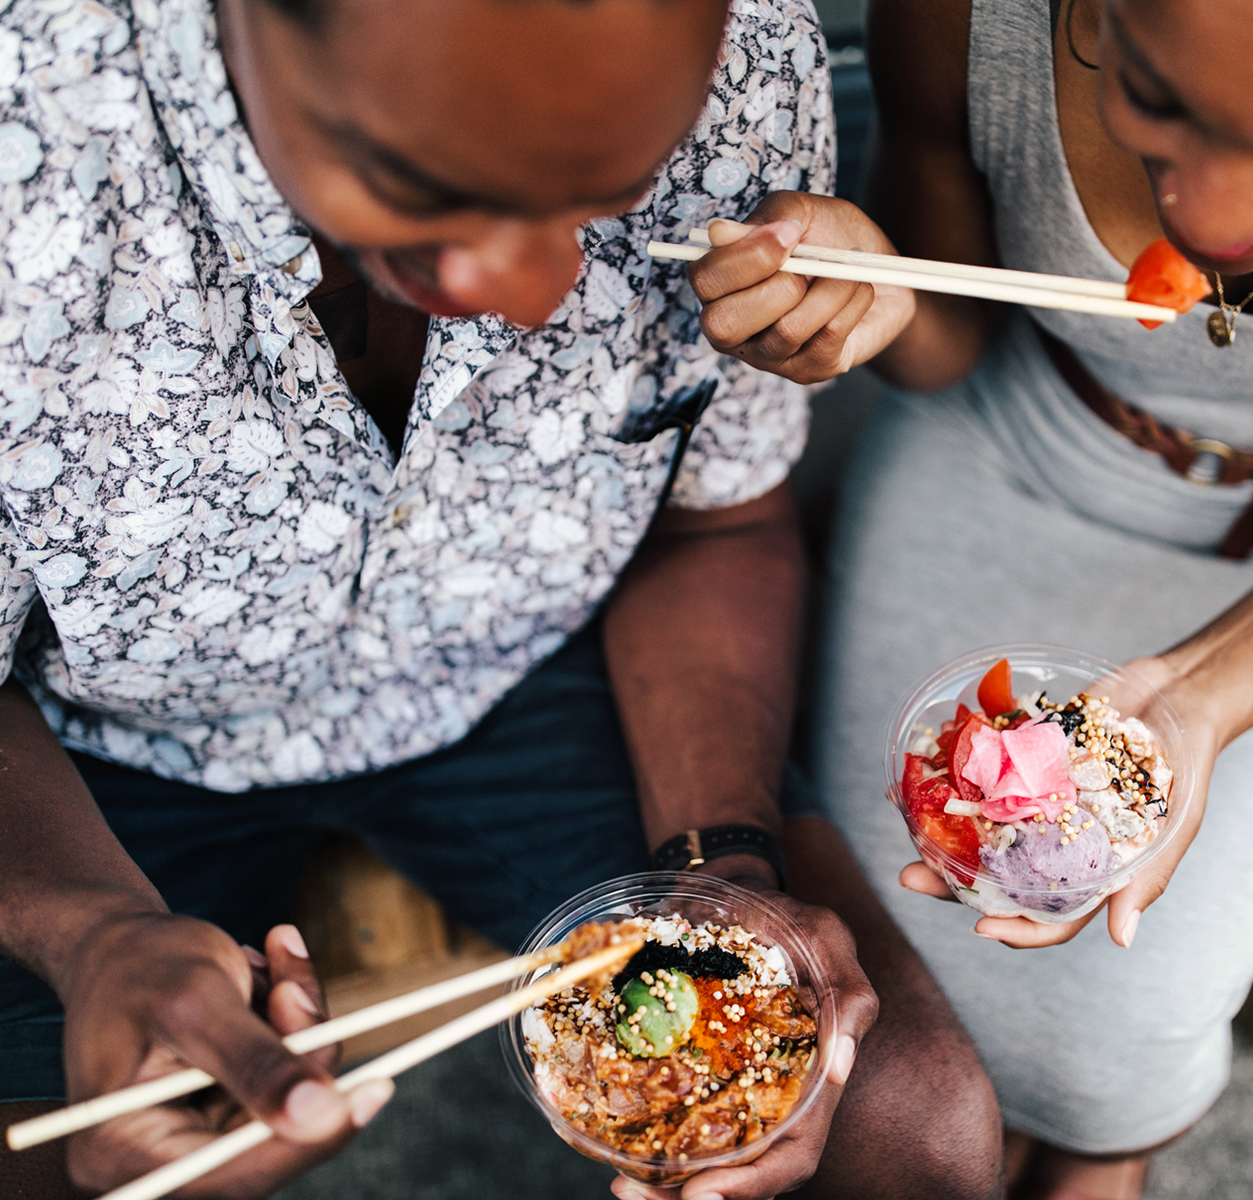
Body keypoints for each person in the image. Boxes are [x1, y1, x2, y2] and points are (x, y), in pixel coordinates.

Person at [0, 0, 1005, 1197]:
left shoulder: (743, 53)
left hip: (534, 662)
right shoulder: (35, 141)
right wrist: (89, 930)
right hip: (90, 744)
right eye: (419, 186)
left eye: (604, 195)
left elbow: (713, 521)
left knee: (904, 1118)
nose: (532, 296)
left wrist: (724, 871)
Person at [685, 0, 1253, 1194]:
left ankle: (1097, 1154)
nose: (1203, 218)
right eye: (1155, 98)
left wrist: (1201, 700)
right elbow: (956, 344)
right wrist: (877, 301)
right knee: (904, 979)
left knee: (1115, 1046)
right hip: (1012, 430)